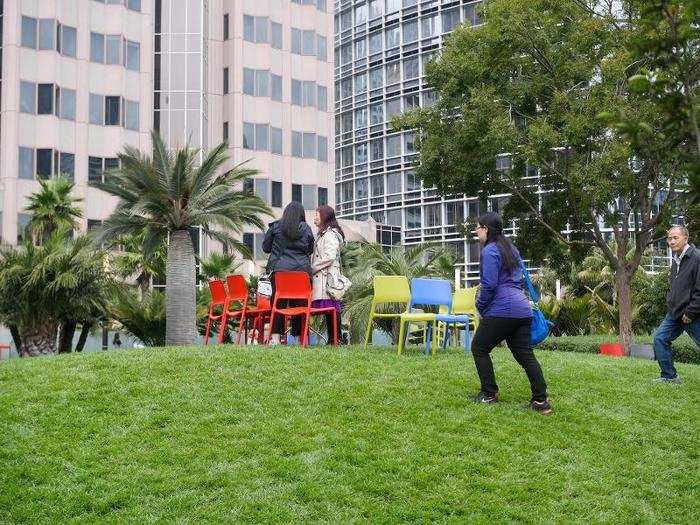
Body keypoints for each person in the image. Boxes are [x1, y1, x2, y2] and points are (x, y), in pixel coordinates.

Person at [471, 212, 552, 414]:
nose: (476, 231)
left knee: (479, 347)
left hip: (503, 309)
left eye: (478, 227)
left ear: (486, 229)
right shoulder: (511, 248)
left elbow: (489, 285)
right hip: (523, 309)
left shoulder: (489, 251)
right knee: (525, 354)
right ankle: (541, 401)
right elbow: (522, 280)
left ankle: (489, 394)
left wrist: (481, 306)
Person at [652, 225, 700, 383]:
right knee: (660, 339)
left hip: (693, 314)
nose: (671, 241)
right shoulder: (676, 259)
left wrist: (691, 312)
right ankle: (669, 376)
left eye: (675, 238)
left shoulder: (697, 257)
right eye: (669, 238)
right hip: (675, 313)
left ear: (686, 238)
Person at [262, 201, 315, 345]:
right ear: (301, 214)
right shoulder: (307, 229)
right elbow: (310, 249)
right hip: (302, 273)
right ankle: (299, 339)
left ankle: (275, 339)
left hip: (280, 272)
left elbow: (266, 248)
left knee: (278, 304)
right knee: (300, 304)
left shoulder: (275, 227)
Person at [311, 205, 345, 345]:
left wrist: (313, 267)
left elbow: (330, 256)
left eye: (317, 214)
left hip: (327, 276)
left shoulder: (329, 234)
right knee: (330, 308)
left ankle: (336, 339)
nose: (315, 217)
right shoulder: (324, 233)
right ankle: (334, 339)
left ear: (324, 216)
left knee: (332, 308)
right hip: (325, 275)